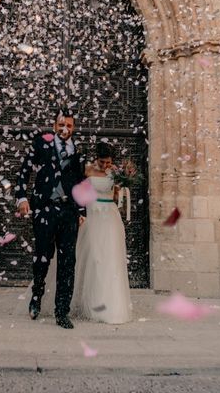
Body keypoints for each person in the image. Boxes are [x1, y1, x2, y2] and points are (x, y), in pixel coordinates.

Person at [15, 108, 86, 329]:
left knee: (68, 262)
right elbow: (25, 171)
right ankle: (36, 295)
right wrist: (21, 198)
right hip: (45, 209)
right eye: (61, 124)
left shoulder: (77, 151)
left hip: (69, 213)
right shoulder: (41, 144)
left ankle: (62, 311)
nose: (65, 129)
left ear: (73, 128)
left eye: (70, 126)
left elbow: (81, 182)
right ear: (55, 125)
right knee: (42, 256)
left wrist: (82, 210)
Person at [70, 142, 132, 324]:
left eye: (108, 162)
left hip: (109, 217)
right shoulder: (87, 170)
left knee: (110, 258)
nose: (105, 166)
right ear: (96, 158)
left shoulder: (115, 172)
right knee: (94, 258)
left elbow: (115, 196)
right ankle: (88, 303)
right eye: (102, 162)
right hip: (92, 215)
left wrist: (123, 183)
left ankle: (111, 307)